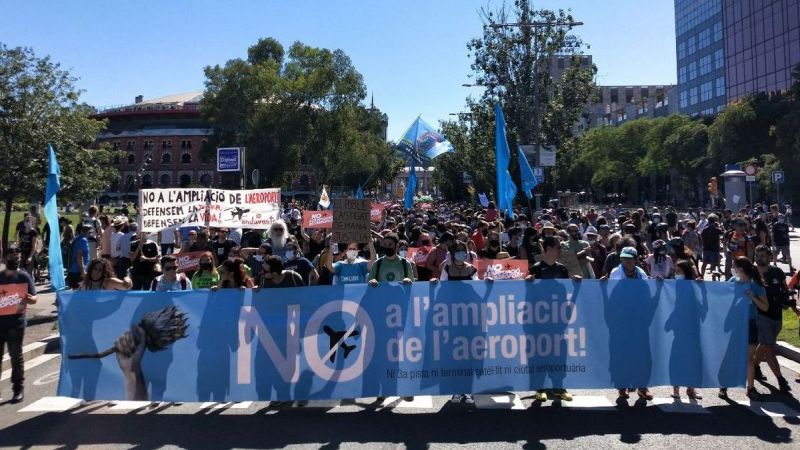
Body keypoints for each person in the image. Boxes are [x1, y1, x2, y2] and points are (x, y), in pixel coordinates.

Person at [525, 236, 581, 402]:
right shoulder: (536, 268)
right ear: (548, 249)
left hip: (557, 321)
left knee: (559, 354)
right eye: (558, 247)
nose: (560, 250)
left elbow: (566, 291)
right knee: (539, 354)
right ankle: (539, 389)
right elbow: (529, 296)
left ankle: (559, 387)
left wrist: (575, 281)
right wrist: (527, 282)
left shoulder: (562, 269)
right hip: (540, 321)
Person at [720, 257, 770, 400]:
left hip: (750, 324)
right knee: (730, 356)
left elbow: (765, 307)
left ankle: (751, 388)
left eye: (734, 266)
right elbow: (719, 296)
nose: (732, 269)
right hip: (734, 324)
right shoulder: (731, 282)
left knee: (749, 358)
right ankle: (724, 387)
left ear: (741, 269)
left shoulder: (755, 285)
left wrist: (753, 297)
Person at [752, 245, 796, 391]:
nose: (759, 259)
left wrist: (791, 302)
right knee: (769, 347)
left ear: (769, 257)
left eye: (762, 256)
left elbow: (785, 289)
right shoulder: (752, 274)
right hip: (760, 315)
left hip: (777, 314)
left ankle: (755, 366)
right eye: (757, 256)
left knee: (764, 344)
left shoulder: (777, 272)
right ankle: (781, 379)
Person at [0, 248, 38, 402]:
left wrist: (29, 299)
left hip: (16, 323)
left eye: (17, 256)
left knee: (16, 356)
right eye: (11, 255)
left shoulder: (24, 276)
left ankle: (18, 389)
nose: (14, 258)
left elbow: (34, 298)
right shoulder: (0, 277)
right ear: (5, 258)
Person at [670, 259, 702, 400]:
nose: (676, 273)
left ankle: (691, 388)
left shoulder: (695, 285)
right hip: (679, 328)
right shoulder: (673, 285)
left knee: (692, 358)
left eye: (678, 271)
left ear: (686, 271)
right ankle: (676, 389)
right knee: (677, 358)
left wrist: (703, 287)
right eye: (675, 271)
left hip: (692, 328)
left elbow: (702, 306)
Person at [66, 224, 91, 289]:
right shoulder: (83, 240)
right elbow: (79, 256)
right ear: (87, 232)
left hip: (72, 269)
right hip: (78, 271)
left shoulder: (76, 238)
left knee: (75, 291)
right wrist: (82, 271)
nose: (90, 234)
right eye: (90, 232)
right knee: (79, 292)